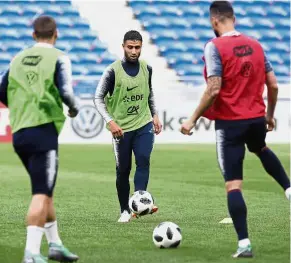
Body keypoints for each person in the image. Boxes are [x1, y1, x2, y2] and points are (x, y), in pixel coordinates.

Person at [180, 1, 290, 258]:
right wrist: (269, 116)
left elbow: (214, 87)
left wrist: (193, 118)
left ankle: (244, 244)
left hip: (230, 124)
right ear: (234, 19)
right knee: (260, 148)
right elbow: (273, 85)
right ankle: (288, 188)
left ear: (214, 21)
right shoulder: (256, 45)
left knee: (234, 185)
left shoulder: (214, 46)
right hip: (255, 119)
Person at [0, 15, 80, 263]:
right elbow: (66, 91)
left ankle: (55, 244)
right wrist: (74, 109)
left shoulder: (17, 59)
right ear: (55, 34)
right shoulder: (59, 57)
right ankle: (31, 253)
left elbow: (2, 91)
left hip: (20, 131)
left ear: (33, 35)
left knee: (45, 191)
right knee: (41, 192)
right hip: (43, 130)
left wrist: (23, 106)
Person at [94, 30, 162, 223]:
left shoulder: (147, 69)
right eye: (130, 47)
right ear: (123, 47)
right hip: (121, 129)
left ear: (141, 47)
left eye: (137, 47)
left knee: (143, 159)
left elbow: (149, 94)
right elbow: (98, 98)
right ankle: (124, 210)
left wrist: (154, 114)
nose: (134, 51)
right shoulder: (112, 71)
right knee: (123, 170)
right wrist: (110, 121)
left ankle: (140, 202)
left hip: (143, 124)